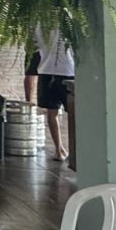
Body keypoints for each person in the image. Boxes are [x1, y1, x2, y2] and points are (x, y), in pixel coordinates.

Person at [35, 29, 75, 163]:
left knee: (52, 112)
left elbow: (35, 44)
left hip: (46, 70)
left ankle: (59, 149)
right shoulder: (67, 21)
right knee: (73, 113)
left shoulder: (38, 23)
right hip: (67, 70)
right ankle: (74, 151)